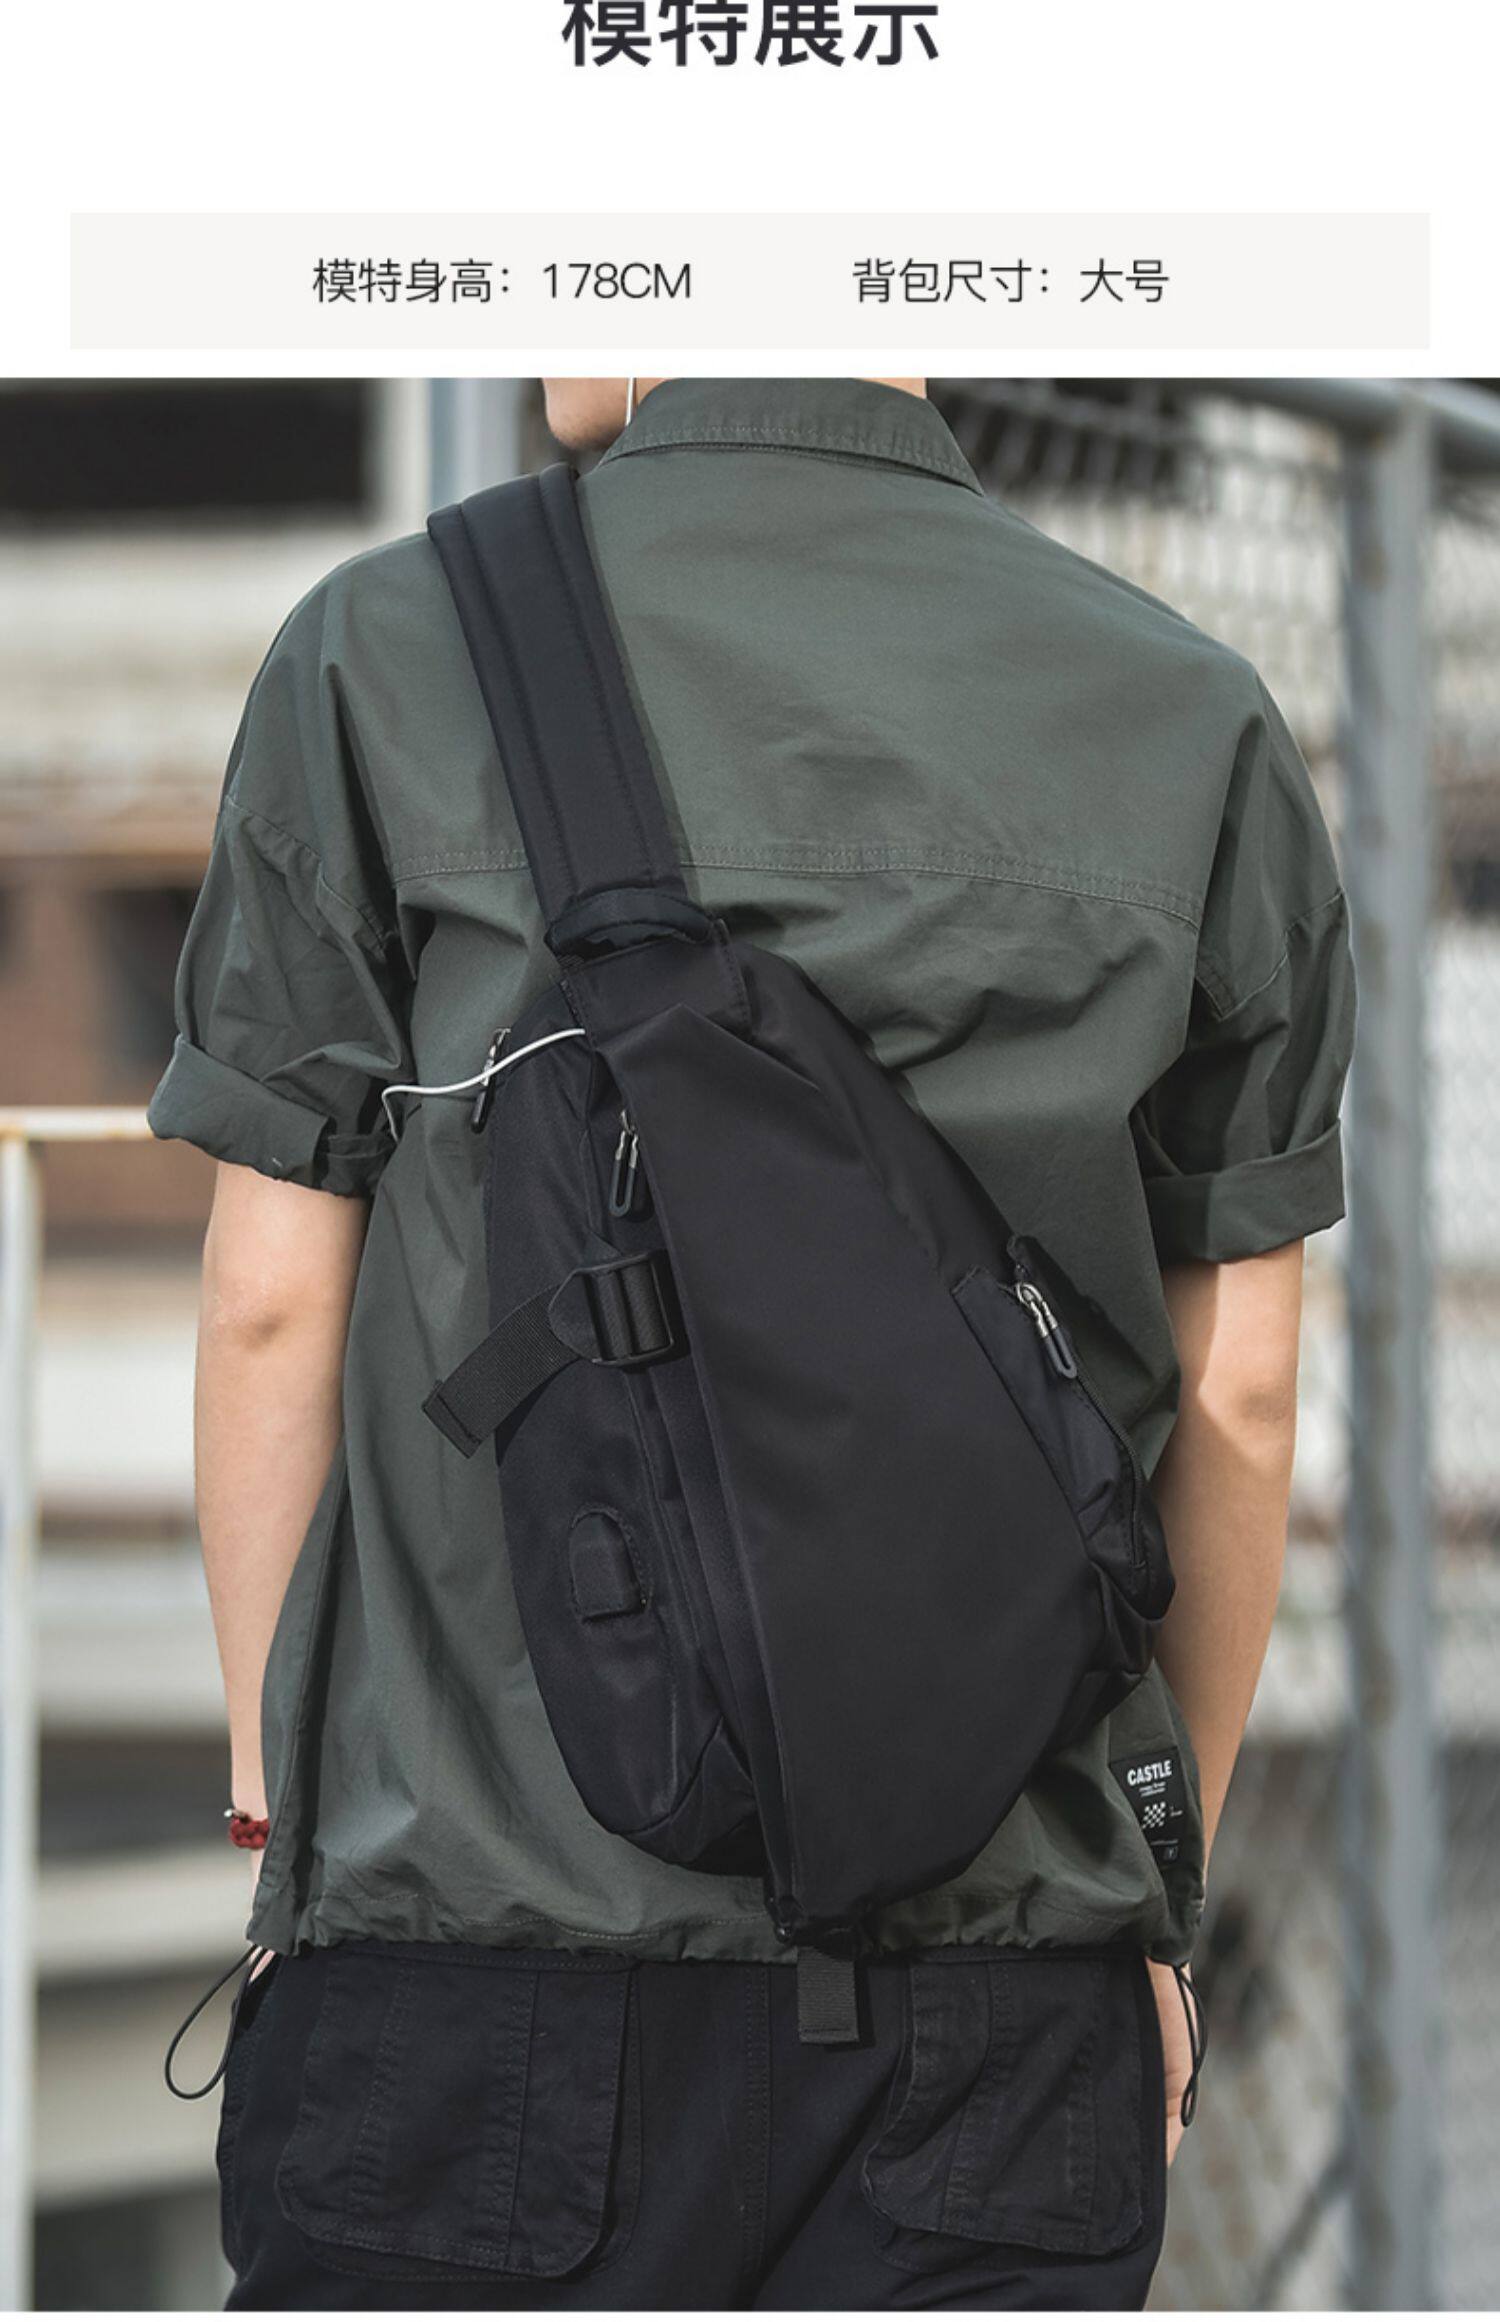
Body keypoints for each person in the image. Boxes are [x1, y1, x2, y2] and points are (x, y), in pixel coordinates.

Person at [151, 376, 1355, 2310]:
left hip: (474, 1979)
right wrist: (1156, 1890)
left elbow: (272, 1298)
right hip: (998, 2013)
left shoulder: (389, 645)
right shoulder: (1191, 708)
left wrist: (283, 1824)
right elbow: (1246, 1389)